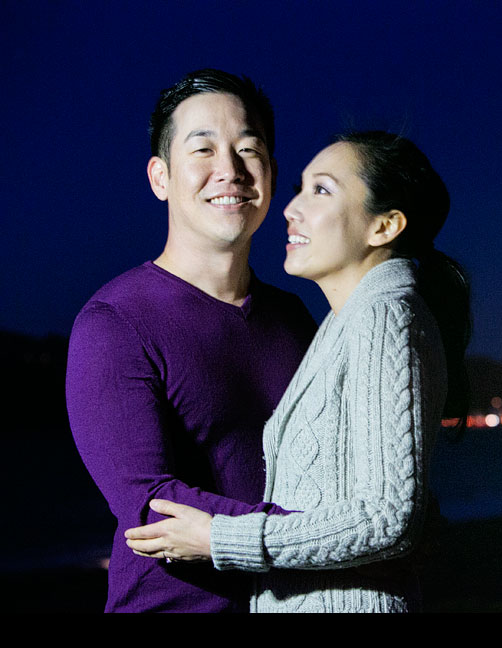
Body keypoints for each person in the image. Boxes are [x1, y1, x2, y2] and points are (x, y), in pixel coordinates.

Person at [125, 131, 471, 613]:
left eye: (322, 190)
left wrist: (218, 538)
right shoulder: (343, 323)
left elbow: (387, 520)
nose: (291, 209)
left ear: (385, 225)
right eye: (299, 189)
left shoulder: (385, 315)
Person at [66, 69, 317, 613]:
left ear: (271, 173)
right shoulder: (114, 323)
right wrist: (325, 537)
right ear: (160, 177)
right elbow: (149, 507)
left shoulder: (293, 317)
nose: (229, 171)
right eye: (202, 149)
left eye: (248, 150)